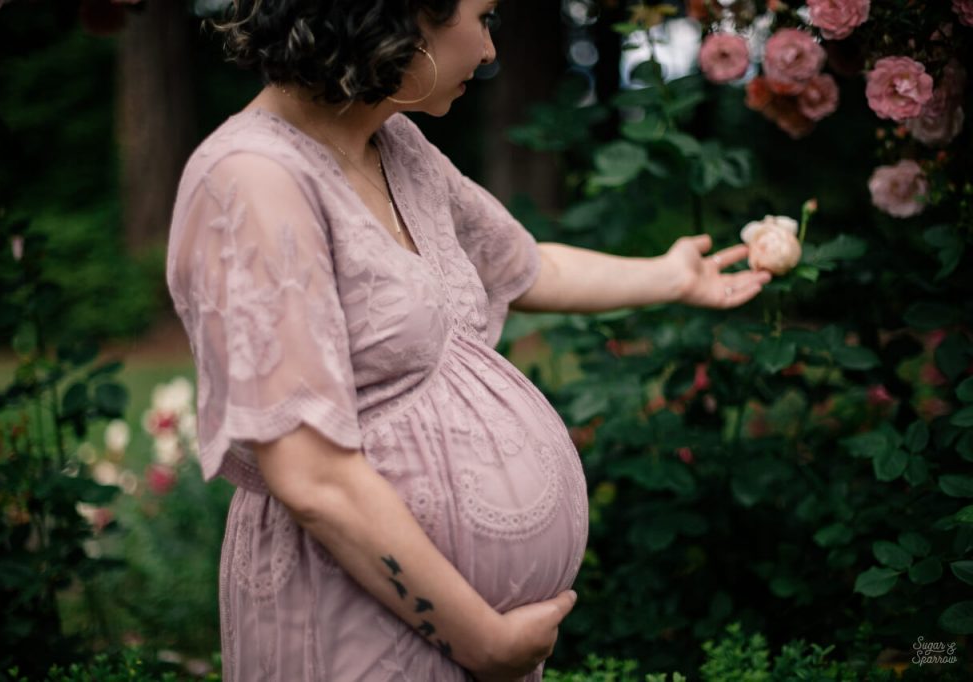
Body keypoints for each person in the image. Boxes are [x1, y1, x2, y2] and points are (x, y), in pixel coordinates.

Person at [165, 1, 772, 680]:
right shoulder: (253, 182)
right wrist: (485, 642)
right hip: (350, 623)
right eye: (483, 18)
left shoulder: (393, 144)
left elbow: (523, 265)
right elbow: (311, 477)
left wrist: (670, 275)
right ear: (398, 15)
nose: (488, 51)